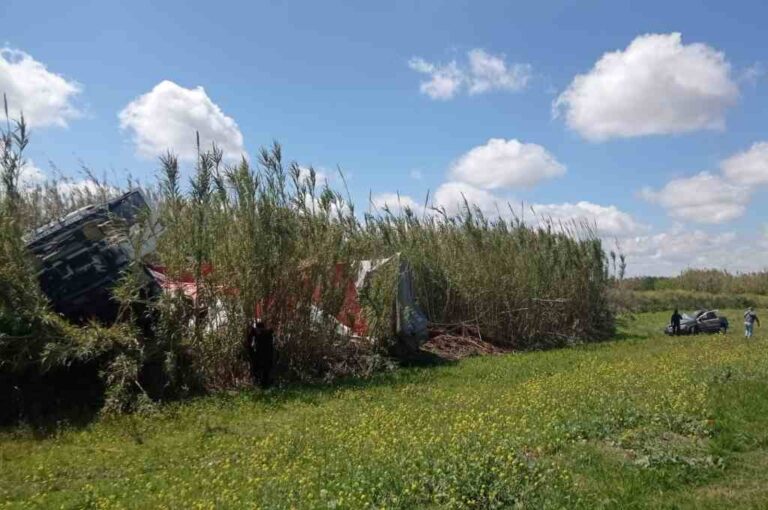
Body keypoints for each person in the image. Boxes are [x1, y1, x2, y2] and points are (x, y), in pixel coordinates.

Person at [244, 318, 274, 388]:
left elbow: (249, 341)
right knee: (265, 371)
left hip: (261, 355)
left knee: (260, 370)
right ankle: (263, 384)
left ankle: (261, 383)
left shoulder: (260, 333)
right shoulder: (268, 333)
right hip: (266, 355)